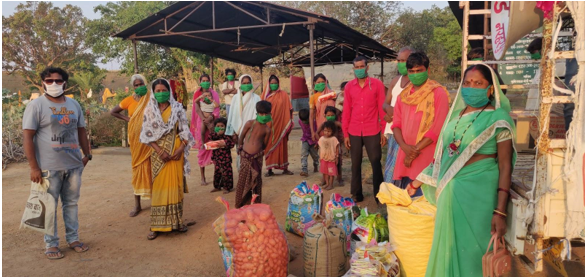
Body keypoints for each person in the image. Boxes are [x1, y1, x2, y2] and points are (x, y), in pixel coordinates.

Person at [408, 64, 516, 277]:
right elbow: (443, 158)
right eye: (467, 83)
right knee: (448, 249)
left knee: (474, 251)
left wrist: (500, 211)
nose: (471, 87)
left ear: (490, 89)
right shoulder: (455, 117)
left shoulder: (498, 118)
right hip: (450, 193)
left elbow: (505, 165)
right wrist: (416, 183)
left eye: (478, 83)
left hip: (479, 193)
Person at [23, 67, 91, 259]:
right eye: (49, 80)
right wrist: (34, 167)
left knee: (71, 204)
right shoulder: (36, 106)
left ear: (65, 83)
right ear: (43, 82)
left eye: (58, 81)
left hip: (73, 165)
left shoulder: (74, 105)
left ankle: (73, 239)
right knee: (48, 205)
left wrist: (87, 155)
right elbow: (28, 137)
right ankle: (51, 244)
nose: (54, 84)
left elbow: (81, 131)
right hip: (48, 167)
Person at [140, 79, 195, 240]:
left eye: (164, 90)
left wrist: (180, 148)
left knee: (175, 187)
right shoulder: (149, 110)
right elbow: (146, 135)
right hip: (158, 155)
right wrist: (159, 151)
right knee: (159, 188)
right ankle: (156, 226)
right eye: (158, 90)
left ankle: (176, 222)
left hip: (176, 152)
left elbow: (185, 130)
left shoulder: (177, 108)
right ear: (153, 92)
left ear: (169, 91)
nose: (161, 93)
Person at [391, 52, 450, 197]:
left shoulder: (438, 93)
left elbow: (437, 128)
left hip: (426, 155)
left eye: (419, 71)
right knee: (406, 202)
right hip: (405, 154)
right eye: (411, 71)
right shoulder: (403, 96)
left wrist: (413, 152)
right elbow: (396, 124)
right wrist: (405, 149)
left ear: (428, 71)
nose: (415, 74)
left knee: (424, 202)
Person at [342, 56, 387, 203]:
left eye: (362, 67)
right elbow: (346, 111)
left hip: (372, 129)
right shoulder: (349, 87)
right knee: (355, 163)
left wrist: (384, 131)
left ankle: (379, 195)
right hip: (354, 130)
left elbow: (382, 109)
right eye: (357, 67)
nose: (360, 69)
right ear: (353, 69)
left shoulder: (377, 85)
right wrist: (345, 134)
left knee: (375, 162)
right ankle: (356, 194)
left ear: (367, 68)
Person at [110, 74, 152, 217]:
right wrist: (129, 119)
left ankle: (157, 201)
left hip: (152, 139)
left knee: (153, 168)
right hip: (136, 140)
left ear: (145, 85)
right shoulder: (129, 100)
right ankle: (137, 205)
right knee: (137, 167)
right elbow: (113, 112)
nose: (139, 87)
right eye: (136, 85)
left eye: (141, 84)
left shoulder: (152, 99)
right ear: (133, 87)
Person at [382, 46, 413, 183]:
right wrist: (389, 111)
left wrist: (397, 114)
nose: (401, 63)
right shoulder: (395, 80)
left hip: (406, 131)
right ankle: (391, 195)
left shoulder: (416, 82)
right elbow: (385, 103)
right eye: (399, 60)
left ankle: (399, 196)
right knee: (391, 166)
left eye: (404, 60)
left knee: (403, 167)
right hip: (392, 130)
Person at [234, 101, 272, 208]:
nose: (264, 116)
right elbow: (241, 137)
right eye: (261, 114)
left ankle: (254, 203)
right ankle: (240, 202)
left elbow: (264, 145)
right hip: (245, 156)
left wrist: (258, 152)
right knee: (243, 179)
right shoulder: (249, 124)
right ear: (257, 113)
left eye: (266, 114)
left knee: (256, 180)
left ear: (270, 114)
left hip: (256, 158)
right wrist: (239, 147)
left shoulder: (267, 130)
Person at [190, 74, 220, 186]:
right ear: (200, 81)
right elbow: (196, 107)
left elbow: (217, 107)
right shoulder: (197, 94)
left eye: (207, 80)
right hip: (201, 122)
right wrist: (203, 119)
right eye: (203, 80)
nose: (206, 82)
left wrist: (211, 117)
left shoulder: (214, 93)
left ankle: (216, 176)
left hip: (212, 121)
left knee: (215, 148)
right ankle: (203, 177)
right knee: (202, 149)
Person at [261, 75, 294, 176]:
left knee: (282, 145)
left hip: (281, 124)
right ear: (268, 84)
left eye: (275, 83)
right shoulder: (265, 96)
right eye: (272, 83)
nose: (274, 85)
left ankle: (285, 168)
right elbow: (260, 110)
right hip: (269, 125)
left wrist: (289, 119)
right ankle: (269, 169)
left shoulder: (283, 94)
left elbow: (290, 108)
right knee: (268, 144)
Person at [226, 74, 261, 168]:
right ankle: (242, 175)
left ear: (251, 83)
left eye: (248, 83)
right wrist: (233, 132)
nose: (246, 85)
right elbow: (232, 115)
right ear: (240, 84)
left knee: (252, 155)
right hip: (238, 132)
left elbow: (259, 116)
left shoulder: (256, 98)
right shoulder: (235, 98)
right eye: (244, 83)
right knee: (240, 154)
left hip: (252, 132)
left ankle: (252, 178)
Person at [317, 106, 344, 186]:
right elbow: (316, 133)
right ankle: (324, 179)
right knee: (324, 163)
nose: (330, 116)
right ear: (325, 115)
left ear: (335, 115)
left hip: (335, 147)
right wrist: (321, 141)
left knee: (338, 162)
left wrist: (343, 137)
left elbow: (344, 129)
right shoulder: (324, 124)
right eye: (328, 115)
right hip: (325, 148)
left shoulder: (337, 123)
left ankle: (339, 178)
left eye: (332, 115)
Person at [209, 117, 235, 194]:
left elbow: (231, 144)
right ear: (215, 127)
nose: (220, 128)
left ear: (225, 127)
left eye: (222, 126)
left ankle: (227, 188)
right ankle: (217, 186)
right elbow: (210, 139)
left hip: (226, 158)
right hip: (217, 158)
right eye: (218, 126)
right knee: (217, 173)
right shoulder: (213, 134)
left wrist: (225, 143)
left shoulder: (227, 135)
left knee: (227, 173)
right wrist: (217, 135)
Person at [309, 73, 336, 142]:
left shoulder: (332, 94)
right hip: (321, 127)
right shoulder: (313, 97)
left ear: (326, 82)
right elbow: (311, 115)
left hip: (334, 126)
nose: (321, 84)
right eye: (318, 82)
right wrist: (312, 132)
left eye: (322, 82)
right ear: (315, 83)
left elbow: (338, 109)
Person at [318, 121, 340, 191]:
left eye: (329, 131)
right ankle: (327, 183)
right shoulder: (321, 139)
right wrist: (320, 157)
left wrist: (337, 157)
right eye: (325, 131)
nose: (327, 132)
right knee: (325, 172)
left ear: (332, 131)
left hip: (331, 159)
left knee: (331, 173)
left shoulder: (334, 139)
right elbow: (320, 148)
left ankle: (331, 184)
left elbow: (337, 148)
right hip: (324, 158)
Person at [298, 108, 319, 177]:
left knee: (315, 156)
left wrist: (317, 143)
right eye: (303, 121)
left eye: (306, 120)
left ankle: (316, 164)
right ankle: (304, 169)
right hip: (305, 140)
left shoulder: (314, 123)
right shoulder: (300, 121)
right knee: (303, 154)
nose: (304, 122)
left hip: (313, 141)